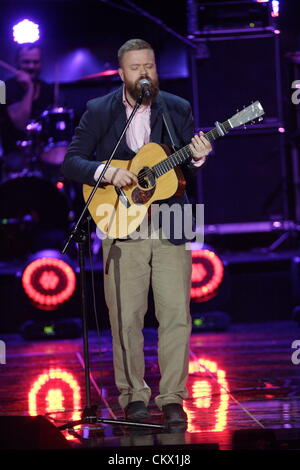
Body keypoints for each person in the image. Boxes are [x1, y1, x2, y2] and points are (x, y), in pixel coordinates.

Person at [61, 38, 212, 427]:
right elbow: (72, 162)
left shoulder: (176, 108)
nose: (144, 74)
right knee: (126, 317)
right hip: (119, 219)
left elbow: (183, 171)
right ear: (121, 73)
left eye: (150, 66)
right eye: (135, 68)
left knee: (176, 314)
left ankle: (174, 397)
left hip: (171, 222)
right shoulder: (99, 111)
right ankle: (133, 397)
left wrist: (196, 157)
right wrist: (106, 171)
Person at [1, 43, 54, 157]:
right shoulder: (4, 87)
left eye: (36, 62)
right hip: (14, 155)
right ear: (17, 63)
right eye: (26, 62)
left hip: (44, 153)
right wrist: (30, 87)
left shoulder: (47, 88)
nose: (31, 66)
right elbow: (20, 123)